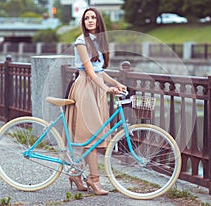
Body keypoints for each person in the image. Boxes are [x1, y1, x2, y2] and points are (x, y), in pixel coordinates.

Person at [65, 7, 126, 195]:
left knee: (94, 134)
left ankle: (76, 173)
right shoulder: (81, 41)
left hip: (96, 88)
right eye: (86, 18)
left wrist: (116, 83)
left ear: (99, 21)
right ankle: (94, 179)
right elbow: (89, 72)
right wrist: (106, 88)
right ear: (83, 23)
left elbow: (99, 70)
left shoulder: (98, 42)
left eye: (93, 18)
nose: (90, 21)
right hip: (85, 87)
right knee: (92, 136)